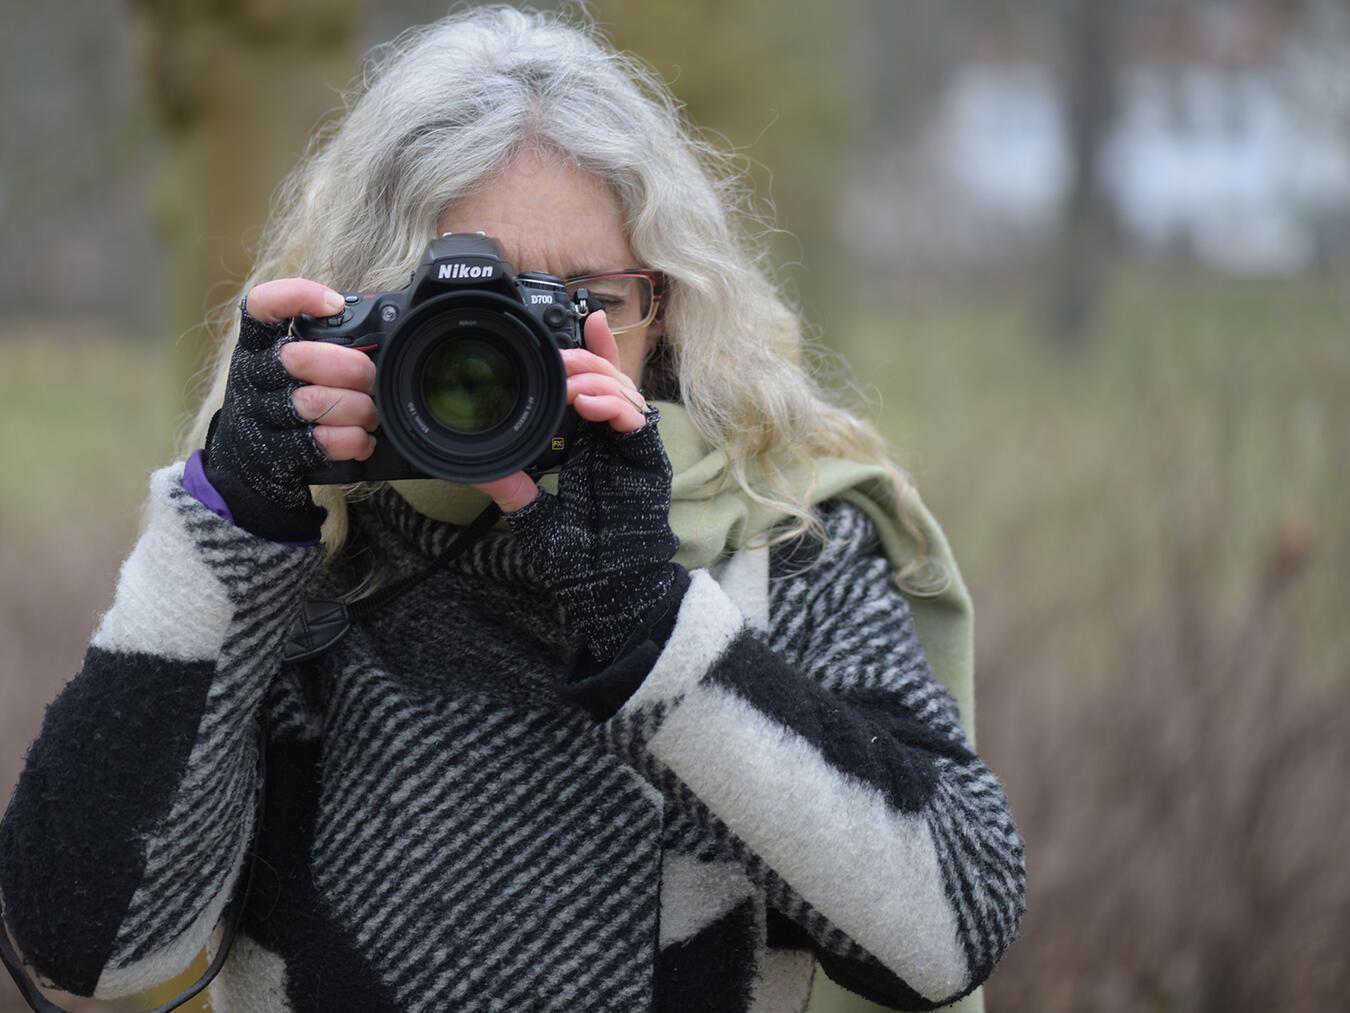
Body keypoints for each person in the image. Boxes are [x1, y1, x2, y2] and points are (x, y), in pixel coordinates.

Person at [0, 7, 1025, 1012]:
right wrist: (231, 524)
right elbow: (88, 942)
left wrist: (650, 622)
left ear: (665, 304)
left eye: (586, 303)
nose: (527, 354)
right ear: (360, 308)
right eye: (471, 310)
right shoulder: (295, 553)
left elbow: (950, 930)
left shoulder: (780, 537)